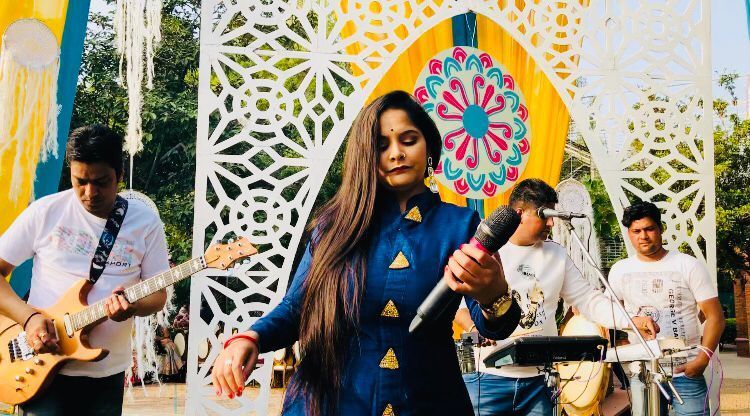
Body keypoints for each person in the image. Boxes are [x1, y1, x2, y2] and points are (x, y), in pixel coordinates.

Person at [211, 90, 522, 415]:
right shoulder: (334, 226)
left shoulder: (461, 225)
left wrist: (493, 294)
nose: (396, 153)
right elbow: (296, 308)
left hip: (427, 402)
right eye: (381, 145)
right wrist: (251, 337)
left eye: (409, 140)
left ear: (429, 147)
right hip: (331, 404)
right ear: (365, 156)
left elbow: (495, 326)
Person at [0, 125, 170, 415]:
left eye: (101, 182)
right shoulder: (46, 212)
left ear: (120, 175)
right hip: (41, 368)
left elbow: (158, 296)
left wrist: (133, 307)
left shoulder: (145, 223)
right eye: (80, 181)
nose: (90, 193)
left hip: (107, 374)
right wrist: (29, 319)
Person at [454, 178, 659, 415]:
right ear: (520, 213)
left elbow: (588, 300)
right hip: (488, 377)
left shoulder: (556, 254)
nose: (551, 222)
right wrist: (476, 328)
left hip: (540, 380)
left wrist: (631, 321)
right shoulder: (485, 250)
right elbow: (459, 307)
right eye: (545, 214)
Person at [609, 201, 725, 415]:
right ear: (629, 234)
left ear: (660, 229)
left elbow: (715, 317)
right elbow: (612, 315)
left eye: (649, 229)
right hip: (643, 372)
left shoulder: (687, 265)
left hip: (685, 371)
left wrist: (702, 360)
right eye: (636, 231)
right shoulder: (619, 270)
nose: (643, 236)